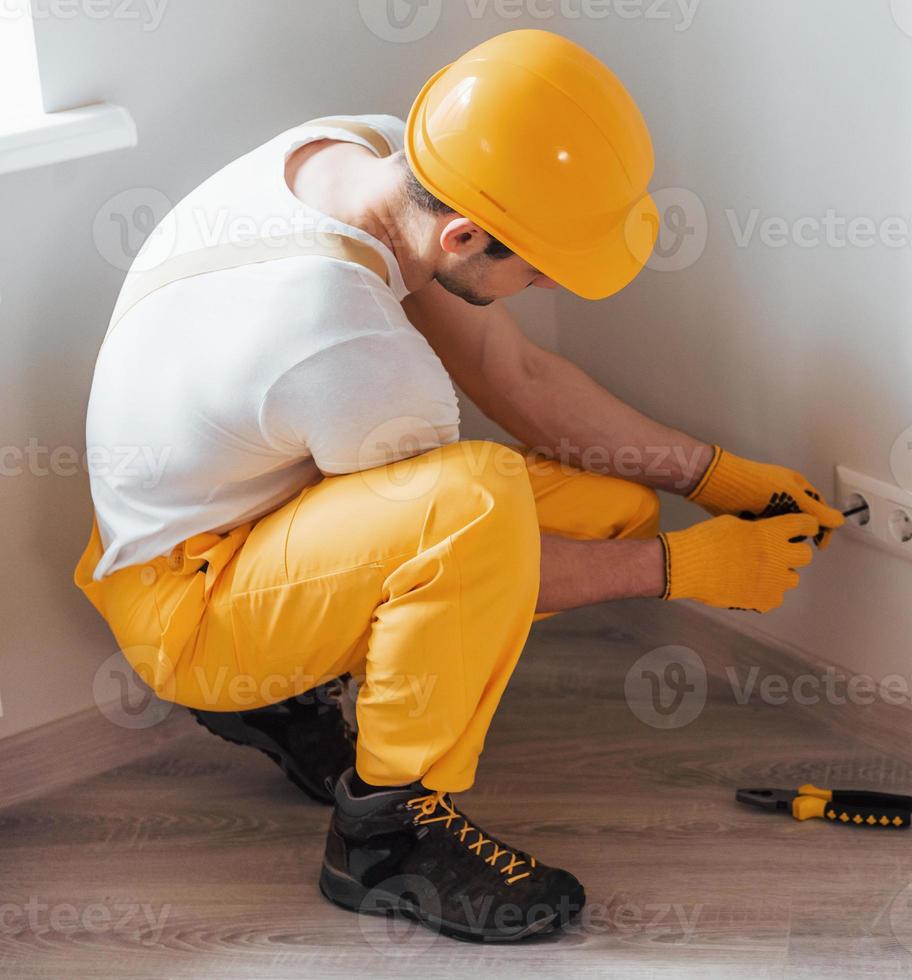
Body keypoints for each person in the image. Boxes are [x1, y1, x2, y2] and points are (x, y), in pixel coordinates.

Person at [74, 30, 843, 942]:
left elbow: (515, 376)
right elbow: (472, 549)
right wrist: (684, 570)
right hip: (190, 605)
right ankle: (386, 837)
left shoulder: (360, 156)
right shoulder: (343, 337)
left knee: (612, 516)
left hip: (233, 517)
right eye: (539, 268)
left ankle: (285, 697)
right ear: (465, 235)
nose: (538, 286)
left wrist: (719, 479)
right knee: (476, 500)